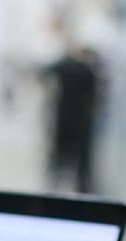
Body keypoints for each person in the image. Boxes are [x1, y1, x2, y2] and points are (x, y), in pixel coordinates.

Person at [40, 37, 102, 193]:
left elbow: (44, 73)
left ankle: (54, 188)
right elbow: (94, 98)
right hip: (82, 121)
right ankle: (81, 190)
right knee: (81, 162)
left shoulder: (63, 65)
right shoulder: (88, 71)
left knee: (59, 158)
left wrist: (51, 94)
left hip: (63, 117)